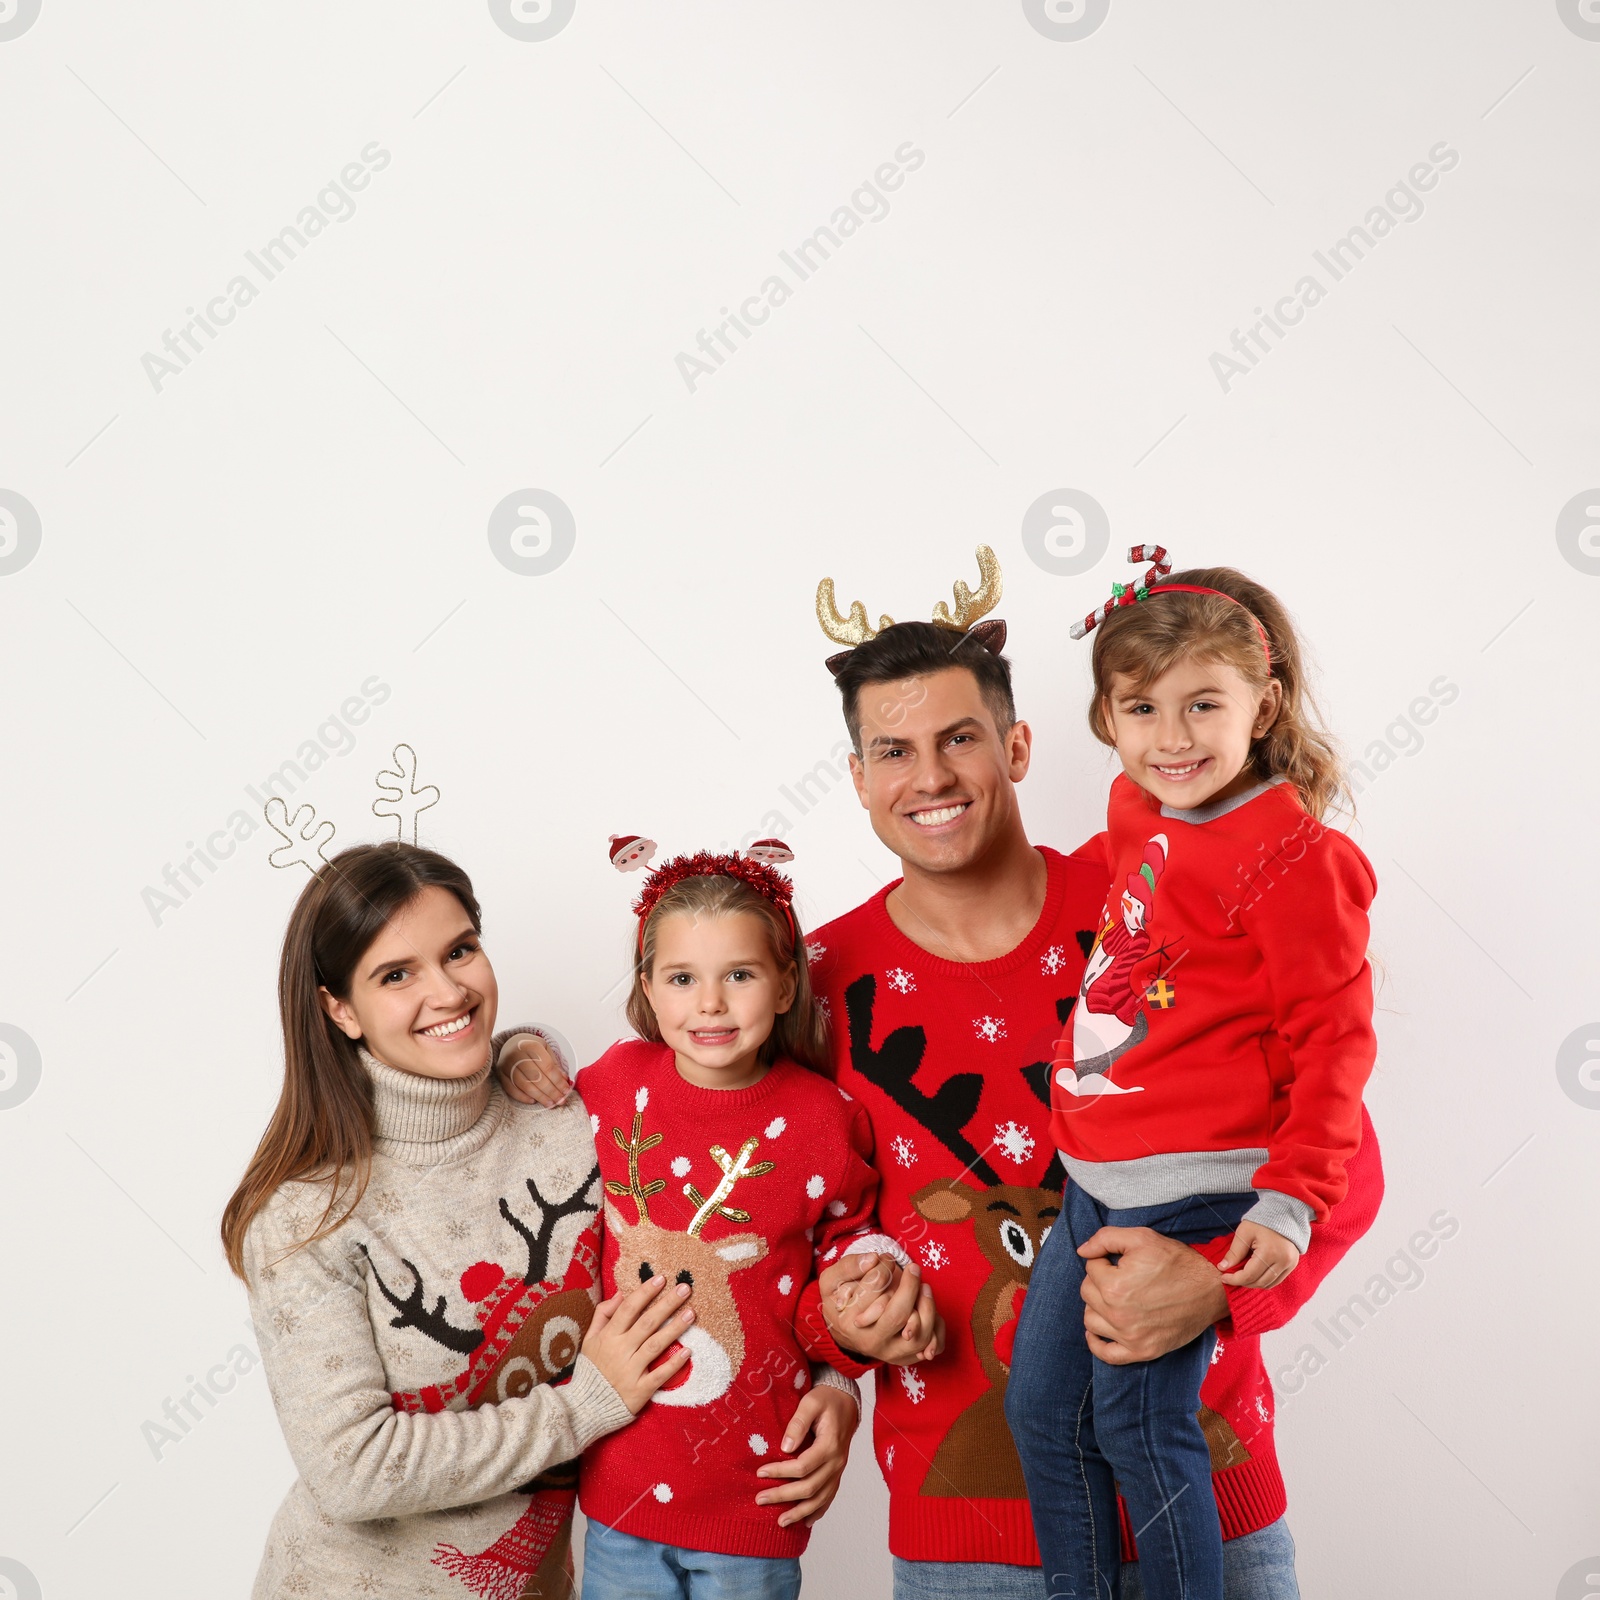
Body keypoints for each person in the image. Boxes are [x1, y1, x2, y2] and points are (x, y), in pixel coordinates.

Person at [502, 549, 1384, 1600]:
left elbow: (1343, 1154)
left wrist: (1218, 1293)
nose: (929, 777)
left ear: (1015, 746)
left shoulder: (1150, 893)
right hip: (963, 1536)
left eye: (960, 737)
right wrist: (836, 1341)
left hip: (1201, 1498)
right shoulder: (803, 985)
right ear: (859, 777)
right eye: (893, 749)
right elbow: (771, 1213)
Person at [1005, 548, 1378, 1600]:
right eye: (1141, 709)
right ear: (1107, 722)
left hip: (1195, 1184)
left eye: (1202, 705)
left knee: (1137, 1427)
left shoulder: (1295, 858)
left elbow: (1335, 1040)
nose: (1172, 739)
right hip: (1097, 1178)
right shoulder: (1135, 811)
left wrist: (1291, 1201)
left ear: (1260, 708)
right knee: (1042, 1413)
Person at [221, 842, 699, 1599]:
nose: (448, 991)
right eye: (396, 974)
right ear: (337, 1007)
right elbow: (353, 1469)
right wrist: (583, 1407)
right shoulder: (308, 1216)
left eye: (461, 951)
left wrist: (835, 1375)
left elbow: (725, 1216)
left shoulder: (568, 1123)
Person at [497, 842, 931, 1600]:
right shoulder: (613, 1085)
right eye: (682, 978)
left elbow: (845, 1264)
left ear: (787, 982)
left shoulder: (825, 1121)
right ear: (648, 988)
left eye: (739, 974)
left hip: (756, 1492)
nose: (710, 1004)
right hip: (621, 1486)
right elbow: (539, 1082)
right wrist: (521, 1049)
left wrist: (854, 1341)